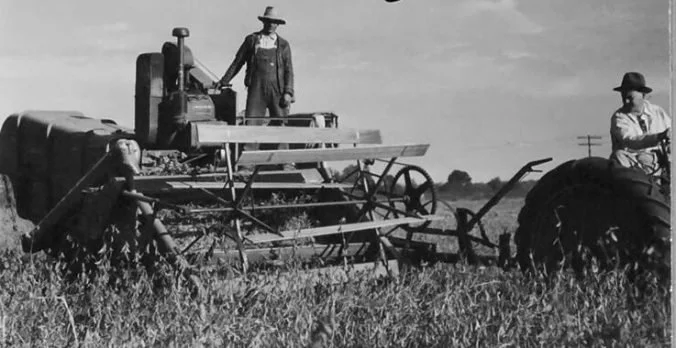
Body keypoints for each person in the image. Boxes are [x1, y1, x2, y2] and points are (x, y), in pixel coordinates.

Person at [217, 6, 295, 130]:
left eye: (274, 22)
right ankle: (249, 149)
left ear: (278, 24)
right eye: (268, 21)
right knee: (252, 124)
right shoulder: (251, 40)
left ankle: (279, 149)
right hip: (256, 90)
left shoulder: (284, 45)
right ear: (263, 21)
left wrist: (288, 92)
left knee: (281, 126)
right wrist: (224, 81)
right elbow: (237, 62)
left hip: (278, 92)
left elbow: (288, 70)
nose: (271, 24)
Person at [609, 72, 671, 174]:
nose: (626, 102)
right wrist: (658, 137)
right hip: (632, 166)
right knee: (618, 155)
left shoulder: (658, 112)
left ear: (643, 95)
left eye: (630, 98)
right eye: (623, 98)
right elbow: (630, 140)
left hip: (661, 164)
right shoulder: (619, 118)